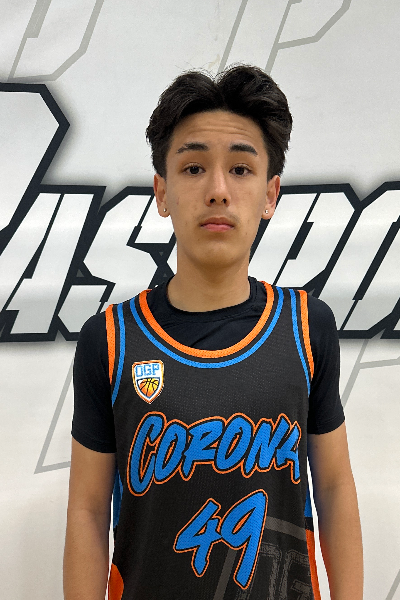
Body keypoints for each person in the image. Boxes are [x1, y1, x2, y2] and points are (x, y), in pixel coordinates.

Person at [64, 65, 363, 600]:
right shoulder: (109, 340)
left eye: (241, 169)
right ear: (162, 192)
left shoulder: (306, 327)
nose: (218, 190)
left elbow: (335, 488)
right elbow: (87, 510)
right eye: (194, 167)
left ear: (270, 194)